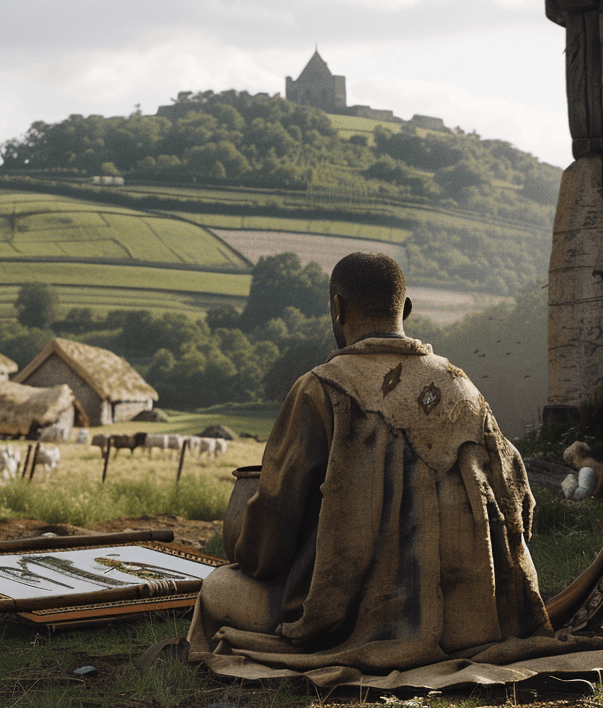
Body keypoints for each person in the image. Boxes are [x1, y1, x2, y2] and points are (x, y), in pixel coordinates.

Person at [187, 252, 551, 676]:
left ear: (337, 309)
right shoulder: (464, 389)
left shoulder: (320, 388)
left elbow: (274, 523)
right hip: (479, 619)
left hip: (354, 618)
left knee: (216, 588)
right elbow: (518, 501)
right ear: (407, 309)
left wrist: (249, 559)